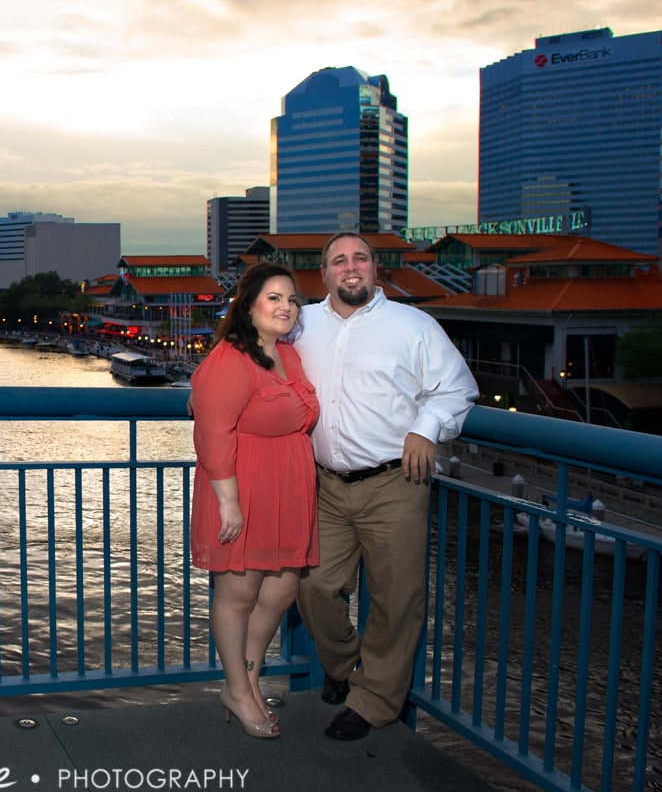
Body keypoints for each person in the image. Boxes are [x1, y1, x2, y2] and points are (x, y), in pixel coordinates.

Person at [292, 232, 478, 742]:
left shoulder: (414, 325)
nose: (351, 267)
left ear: (374, 268)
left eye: (361, 258)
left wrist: (427, 427)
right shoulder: (300, 323)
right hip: (324, 486)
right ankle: (348, 666)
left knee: (397, 599)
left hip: (395, 482)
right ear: (324, 273)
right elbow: (250, 353)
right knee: (311, 586)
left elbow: (457, 389)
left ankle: (374, 699)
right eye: (339, 260)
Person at [190, 262, 319, 739]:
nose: (285, 307)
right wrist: (229, 503)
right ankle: (238, 690)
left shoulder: (290, 355)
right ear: (248, 305)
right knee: (239, 594)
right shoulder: (229, 359)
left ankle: (248, 675)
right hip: (242, 487)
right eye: (274, 298)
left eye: (291, 300)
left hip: (289, 485)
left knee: (283, 589)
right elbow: (213, 432)